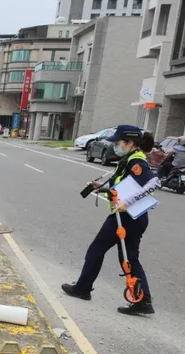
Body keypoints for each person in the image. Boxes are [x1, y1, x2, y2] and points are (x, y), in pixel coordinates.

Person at [62, 125, 160, 315]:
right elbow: (124, 186)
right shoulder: (130, 158)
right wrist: (101, 186)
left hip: (125, 217)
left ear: (129, 142)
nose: (116, 145)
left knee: (96, 250)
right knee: (129, 258)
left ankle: (83, 288)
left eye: (118, 142)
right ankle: (143, 300)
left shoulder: (136, 160)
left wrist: (127, 202)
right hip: (135, 218)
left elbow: (153, 183)